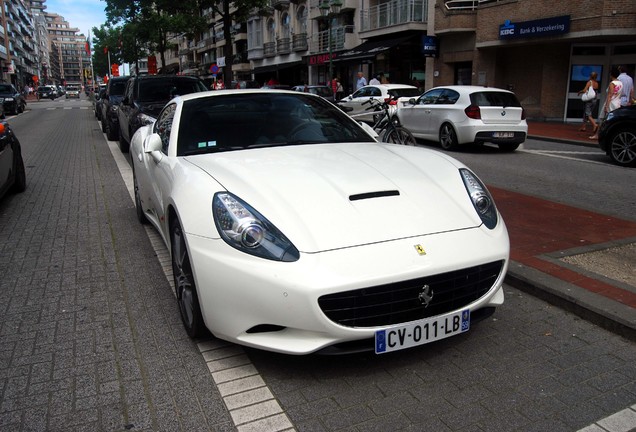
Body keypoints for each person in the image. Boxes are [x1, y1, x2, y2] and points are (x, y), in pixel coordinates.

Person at [590, 67, 623, 140]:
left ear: (611, 75)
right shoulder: (620, 83)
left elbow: (609, 95)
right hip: (617, 103)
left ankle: (597, 135)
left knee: (603, 120)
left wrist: (606, 106)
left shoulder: (612, 83)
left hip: (610, 103)